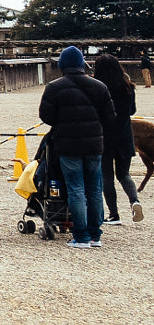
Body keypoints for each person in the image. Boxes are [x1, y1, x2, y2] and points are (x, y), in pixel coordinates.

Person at [40, 47, 114, 246]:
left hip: (67, 144)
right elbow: (110, 117)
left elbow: (45, 116)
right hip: (94, 144)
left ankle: (81, 236)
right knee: (94, 190)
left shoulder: (54, 87)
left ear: (62, 65)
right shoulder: (100, 87)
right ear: (82, 64)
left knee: (76, 189)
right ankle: (95, 235)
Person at [91, 53, 143, 224]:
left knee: (107, 176)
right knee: (124, 174)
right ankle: (134, 200)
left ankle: (114, 214)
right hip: (125, 134)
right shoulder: (128, 87)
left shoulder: (98, 88)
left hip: (105, 135)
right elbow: (132, 111)